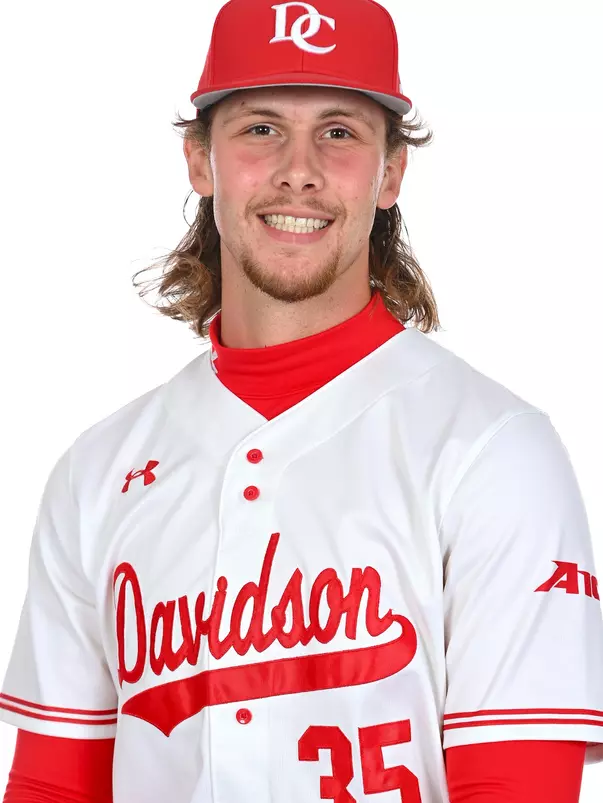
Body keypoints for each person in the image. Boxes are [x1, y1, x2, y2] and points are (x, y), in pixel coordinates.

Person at [1, 0, 602, 801]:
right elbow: (55, 784)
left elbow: (517, 785)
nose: (299, 168)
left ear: (390, 173)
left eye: (339, 131)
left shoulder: (493, 449)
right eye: (259, 128)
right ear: (199, 161)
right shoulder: (96, 470)